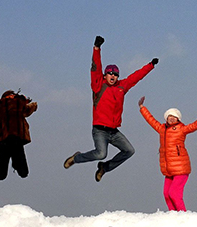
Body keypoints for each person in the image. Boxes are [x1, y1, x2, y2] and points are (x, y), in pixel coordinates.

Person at [63, 35, 157, 182]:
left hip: (113, 131)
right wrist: (96, 48)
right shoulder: (98, 85)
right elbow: (95, 67)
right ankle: (76, 158)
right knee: (101, 153)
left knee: (129, 151)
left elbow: (136, 77)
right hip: (100, 129)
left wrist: (150, 65)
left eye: (115, 74)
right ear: (105, 75)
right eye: (110, 73)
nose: (112, 76)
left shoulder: (121, 87)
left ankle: (104, 168)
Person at [138, 96, 197, 211]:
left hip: (180, 168)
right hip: (168, 169)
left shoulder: (182, 129)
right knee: (166, 194)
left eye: (174, 117)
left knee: (174, 194)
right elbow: (151, 120)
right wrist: (142, 108)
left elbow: (196, 125)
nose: (172, 119)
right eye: (169, 117)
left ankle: (183, 215)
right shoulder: (162, 129)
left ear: (178, 119)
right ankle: (173, 216)